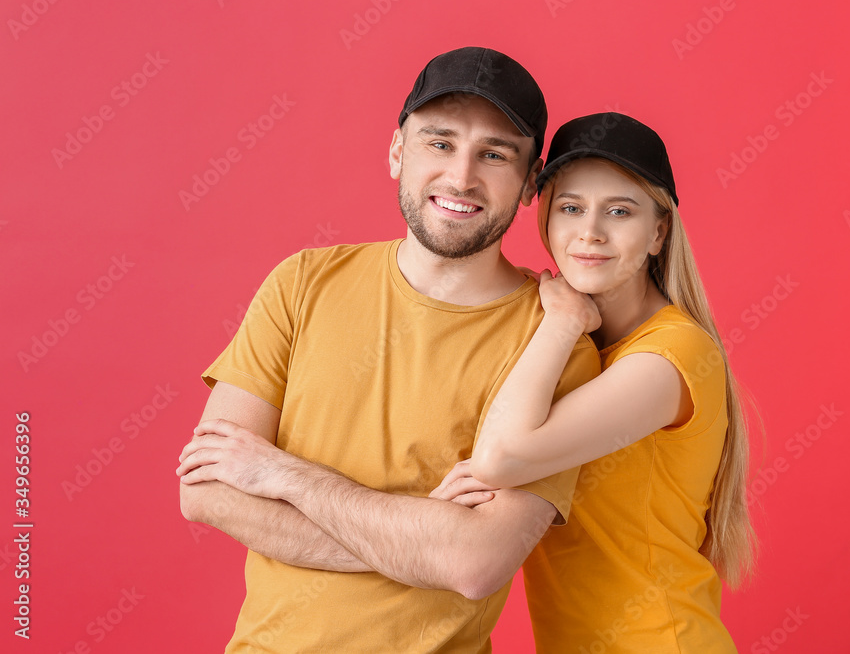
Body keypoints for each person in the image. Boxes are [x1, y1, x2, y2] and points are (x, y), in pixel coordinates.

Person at [175, 47, 600, 653]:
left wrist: (282, 475)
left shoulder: (558, 348)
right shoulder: (302, 284)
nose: (461, 176)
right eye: (439, 142)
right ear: (398, 151)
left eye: (496, 153)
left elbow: (476, 563)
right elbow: (206, 490)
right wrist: (422, 537)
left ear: (533, 182)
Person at [430, 113, 758, 652]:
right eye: (571, 207)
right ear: (547, 221)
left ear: (658, 232)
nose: (590, 232)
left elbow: (499, 458)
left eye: (620, 212)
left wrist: (561, 320)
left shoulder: (672, 355)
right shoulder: (572, 352)